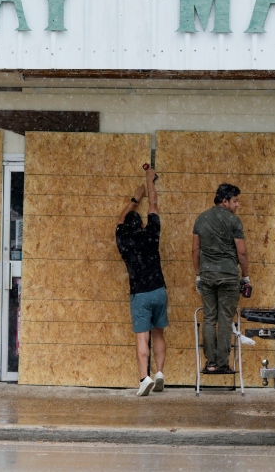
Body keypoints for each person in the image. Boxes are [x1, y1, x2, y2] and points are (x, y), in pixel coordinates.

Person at [115, 165, 167, 397]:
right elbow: (154, 206)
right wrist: (149, 182)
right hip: (159, 291)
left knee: (142, 336)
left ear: (126, 227)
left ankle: (143, 378)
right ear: (143, 225)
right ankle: (159, 373)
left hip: (140, 294)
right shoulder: (151, 234)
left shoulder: (124, 241)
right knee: (158, 334)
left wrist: (135, 198)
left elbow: (120, 218)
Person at [192, 183, 250, 374]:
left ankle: (210, 364)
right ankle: (223, 364)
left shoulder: (201, 219)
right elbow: (242, 253)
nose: (237, 205)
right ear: (224, 201)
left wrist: (198, 275)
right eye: (235, 200)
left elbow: (195, 250)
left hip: (207, 276)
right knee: (225, 319)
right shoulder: (234, 222)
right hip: (229, 277)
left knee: (209, 318)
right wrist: (246, 277)